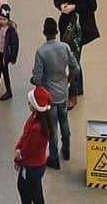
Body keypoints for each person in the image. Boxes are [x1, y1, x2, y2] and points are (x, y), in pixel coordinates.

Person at [31, 17, 79, 168]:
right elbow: (75, 67)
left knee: (52, 128)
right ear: (57, 32)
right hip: (63, 93)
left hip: (49, 97)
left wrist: (33, 79)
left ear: (44, 32)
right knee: (64, 122)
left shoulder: (41, 52)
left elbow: (38, 80)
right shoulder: (64, 47)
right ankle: (66, 150)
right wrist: (67, 81)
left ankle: (53, 158)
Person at [53, 0, 98, 101]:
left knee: (74, 59)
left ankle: (73, 93)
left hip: (79, 29)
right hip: (66, 25)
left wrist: (75, 7)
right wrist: (61, 6)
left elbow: (93, 5)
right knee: (72, 59)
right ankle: (77, 88)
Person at [14, 86, 53, 204]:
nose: (28, 104)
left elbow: (29, 150)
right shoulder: (37, 119)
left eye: (30, 102)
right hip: (37, 165)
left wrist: (18, 159)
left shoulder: (37, 128)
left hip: (31, 167)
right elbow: (25, 136)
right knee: (33, 192)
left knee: (30, 193)